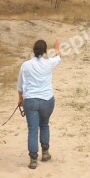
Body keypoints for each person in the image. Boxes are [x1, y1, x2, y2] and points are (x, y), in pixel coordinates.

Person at [17, 39, 61, 169]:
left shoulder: (25, 65)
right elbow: (58, 57)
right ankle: (45, 152)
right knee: (44, 125)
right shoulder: (48, 63)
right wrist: (57, 47)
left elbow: (20, 86)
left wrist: (20, 99)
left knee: (33, 130)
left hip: (30, 100)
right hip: (47, 100)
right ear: (45, 51)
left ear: (33, 50)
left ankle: (33, 159)